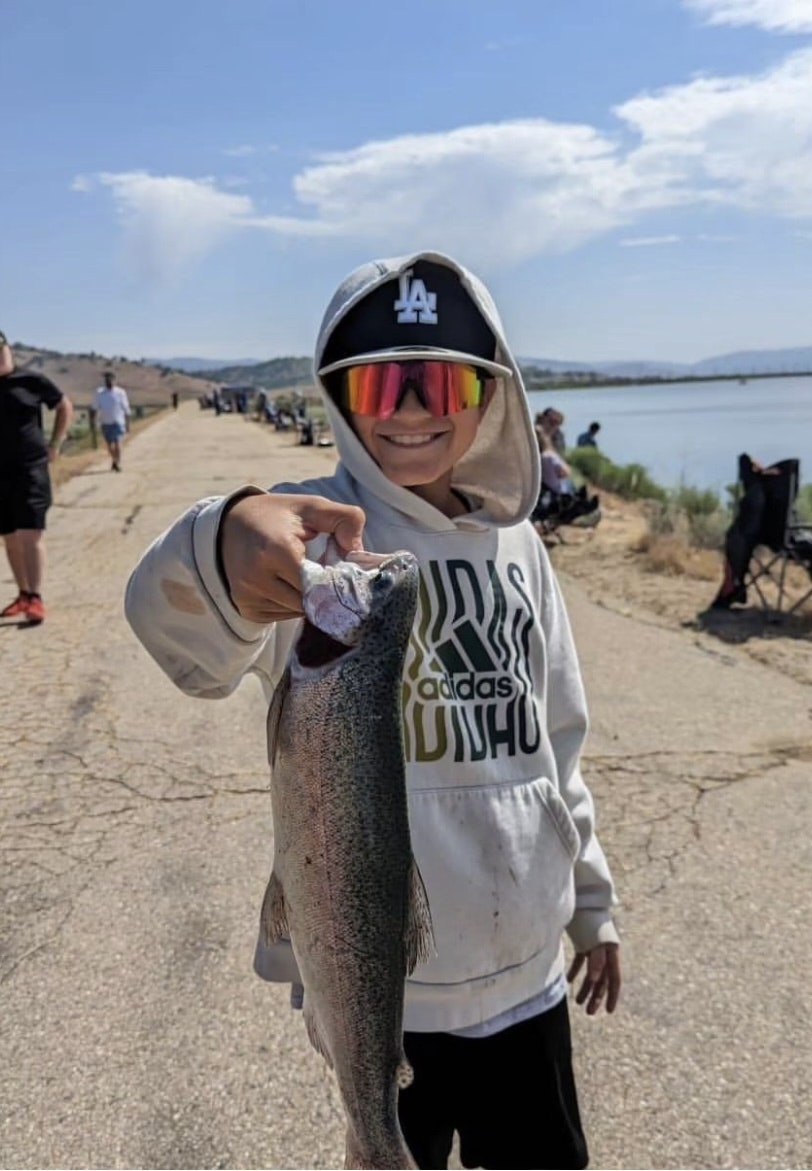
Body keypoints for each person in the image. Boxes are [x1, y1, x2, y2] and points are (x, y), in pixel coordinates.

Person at [125, 252, 621, 1170]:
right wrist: (223, 535)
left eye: (440, 378)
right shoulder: (307, 538)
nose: (409, 407)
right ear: (341, 397)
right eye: (380, 381)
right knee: (385, 1138)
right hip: (385, 990)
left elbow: (562, 740)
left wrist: (593, 906)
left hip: (529, 979)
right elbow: (177, 635)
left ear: (489, 393)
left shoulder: (519, 543)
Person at [0, 330, 74, 624]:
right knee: (9, 537)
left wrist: (55, 444)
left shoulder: (30, 381)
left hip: (31, 468)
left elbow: (64, 406)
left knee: (30, 534)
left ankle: (36, 597)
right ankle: (22, 594)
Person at [94, 370, 131, 471]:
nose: (109, 382)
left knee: (118, 442)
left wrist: (128, 423)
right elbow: (95, 407)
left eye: (111, 379)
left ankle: (117, 463)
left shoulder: (120, 392)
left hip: (118, 422)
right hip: (106, 422)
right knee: (110, 445)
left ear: (114, 381)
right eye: (107, 380)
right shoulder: (100, 393)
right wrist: (95, 421)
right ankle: (114, 460)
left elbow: (126, 408)